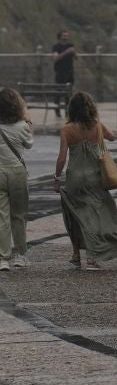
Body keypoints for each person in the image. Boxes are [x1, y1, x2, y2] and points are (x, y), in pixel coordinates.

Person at [54, 91, 117, 270]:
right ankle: (93, 257)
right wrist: (98, 126)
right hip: (95, 176)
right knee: (97, 214)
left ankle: (76, 254)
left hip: (75, 177)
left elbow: (62, 157)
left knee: (74, 215)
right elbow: (112, 137)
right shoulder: (97, 125)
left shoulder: (67, 129)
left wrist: (57, 176)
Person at [0, 89, 33, 271]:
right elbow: (29, 145)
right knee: (19, 215)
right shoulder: (22, 126)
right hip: (17, 172)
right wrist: (29, 125)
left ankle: (3, 258)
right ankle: (20, 255)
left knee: (2, 217)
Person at [51, 29, 77, 117]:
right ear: (60, 37)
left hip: (69, 72)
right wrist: (66, 52)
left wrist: (74, 52)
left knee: (68, 93)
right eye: (64, 35)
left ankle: (67, 111)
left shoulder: (70, 45)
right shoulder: (56, 47)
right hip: (60, 73)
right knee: (58, 92)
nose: (65, 37)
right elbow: (55, 58)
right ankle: (57, 111)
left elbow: (75, 57)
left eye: (67, 35)